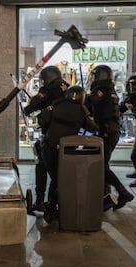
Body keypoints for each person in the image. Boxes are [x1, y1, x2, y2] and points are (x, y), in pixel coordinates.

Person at [39, 85, 98, 223]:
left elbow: (41, 119)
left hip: (49, 148)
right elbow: (93, 128)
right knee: (61, 179)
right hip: (67, 152)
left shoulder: (56, 105)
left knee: (55, 178)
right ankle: (53, 208)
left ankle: (52, 207)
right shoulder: (81, 111)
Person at [85, 65, 134, 210]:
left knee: (101, 166)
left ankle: (122, 192)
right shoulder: (110, 90)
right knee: (103, 164)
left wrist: (80, 97)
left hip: (106, 132)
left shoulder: (101, 90)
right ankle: (106, 197)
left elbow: (90, 102)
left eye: (95, 76)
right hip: (112, 131)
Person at [24, 65, 68, 213]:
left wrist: (27, 109)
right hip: (68, 137)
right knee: (59, 172)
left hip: (51, 136)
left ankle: (42, 201)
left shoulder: (48, 89)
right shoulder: (66, 87)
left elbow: (36, 102)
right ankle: (55, 202)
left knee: (42, 165)